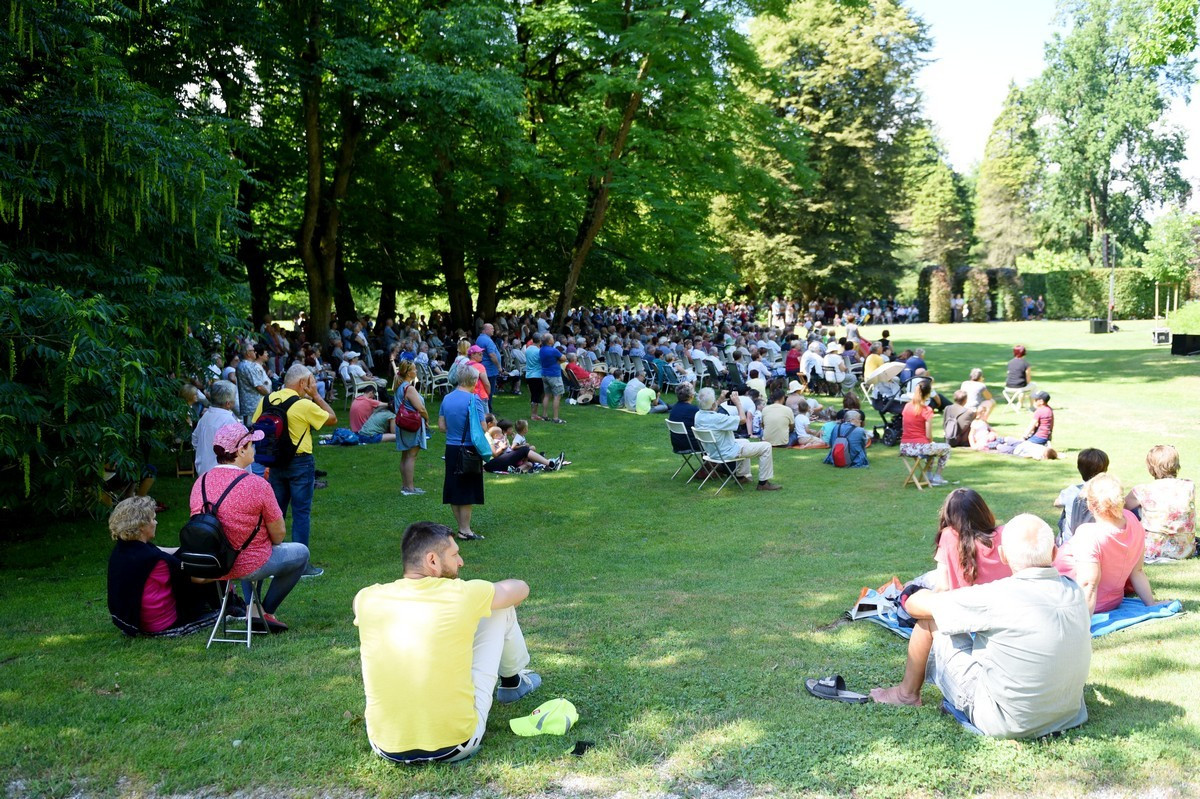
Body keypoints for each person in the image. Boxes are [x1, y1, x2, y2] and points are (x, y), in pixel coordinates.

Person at [871, 514, 1091, 740]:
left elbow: (922, 607)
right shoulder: (1074, 590)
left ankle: (905, 694)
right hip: (1069, 714)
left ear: (1003, 555)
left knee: (930, 619)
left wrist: (912, 593)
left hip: (1005, 720)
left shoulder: (997, 595)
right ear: (1055, 552)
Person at [354, 521, 542, 764]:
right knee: (499, 608)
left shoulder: (367, 598)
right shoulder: (463, 594)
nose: (461, 562)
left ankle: (512, 681)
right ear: (432, 560)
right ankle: (512, 682)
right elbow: (520, 588)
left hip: (385, 746)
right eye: (455, 555)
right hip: (455, 744)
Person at [190, 423, 310, 631]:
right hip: (249, 564)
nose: (255, 448)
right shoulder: (256, 484)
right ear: (241, 450)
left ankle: (252, 608)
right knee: (301, 553)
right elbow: (279, 535)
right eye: (252, 444)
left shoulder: (201, 482)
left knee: (255, 546)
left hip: (214, 564)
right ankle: (265, 612)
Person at [251, 364, 335, 578]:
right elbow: (331, 418)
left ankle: (269, 562)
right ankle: (301, 566)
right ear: (302, 383)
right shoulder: (304, 405)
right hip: (300, 463)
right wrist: (316, 395)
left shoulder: (266, 400)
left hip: (275, 462)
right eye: (311, 381)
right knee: (301, 513)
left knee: (274, 512)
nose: (313, 384)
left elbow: (255, 425)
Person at [106, 496, 217, 637]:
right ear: (141, 526)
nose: (156, 522)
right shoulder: (156, 560)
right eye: (153, 519)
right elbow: (199, 578)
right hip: (160, 624)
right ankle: (229, 607)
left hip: (130, 621)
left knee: (184, 559)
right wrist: (230, 572)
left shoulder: (123, 549)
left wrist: (191, 551)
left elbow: (163, 550)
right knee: (198, 572)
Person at [1054, 474, 1158, 614]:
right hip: (1112, 601)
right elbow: (1137, 571)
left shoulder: (1089, 534)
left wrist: (1083, 625)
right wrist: (1151, 604)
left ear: (1090, 505)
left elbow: (1088, 584)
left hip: (1074, 601)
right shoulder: (1133, 521)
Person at [693, 387, 781, 491]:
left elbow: (712, 408)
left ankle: (741, 477)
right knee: (766, 446)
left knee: (745, 441)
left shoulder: (698, 415)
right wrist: (738, 403)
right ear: (712, 405)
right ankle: (763, 483)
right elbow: (743, 420)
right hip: (726, 452)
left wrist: (721, 399)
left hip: (713, 451)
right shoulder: (717, 418)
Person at [439, 367, 488, 540]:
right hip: (469, 449)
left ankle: (461, 528)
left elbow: (441, 426)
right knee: (467, 489)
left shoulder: (446, 398)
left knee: (454, 487)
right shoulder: (474, 400)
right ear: (474, 381)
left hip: (451, 448)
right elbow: (482, 427)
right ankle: (466, 530)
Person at [1125, 445, 1196, 561]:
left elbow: (1122, 508)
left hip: (1154, 549)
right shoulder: (1189, 485)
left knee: (1128, 512)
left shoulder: (1142, 490)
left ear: (1151, 467)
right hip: (1185, 549)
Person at [932, 489, 1010, 591]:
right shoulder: (1005, 533)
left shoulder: (949, 536)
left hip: (965, 603)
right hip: (1004, 599)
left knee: (917, 585)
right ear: (983, 511)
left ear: (949, 516)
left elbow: (943, 586)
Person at [1053, 448, 1109, 545]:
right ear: (1105, 470)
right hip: (1097, 544)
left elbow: (1057, 503)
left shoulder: (1071, 491)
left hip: (1069, 542)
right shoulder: (1109, 493)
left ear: (1079, 468)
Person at [900, 379, 950, 486]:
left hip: (905, 446)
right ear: (928, 394)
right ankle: (937, 476)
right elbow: (928, 435)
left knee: (931, 448)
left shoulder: (907, 406)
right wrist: (931, 441)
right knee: (945, 448)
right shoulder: (926, 410)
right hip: (920, 446)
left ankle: (929, 475)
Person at [393, 360, 429, 496]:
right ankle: (410, 488)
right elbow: (420, 408)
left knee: (405, 455)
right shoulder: (409, 388)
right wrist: (426, 418)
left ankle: (405, 486)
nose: (416, 371)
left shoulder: (399, 387)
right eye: (414, 369)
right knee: (411, 456)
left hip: (402, 424)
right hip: (412, 425)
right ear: (408, 373)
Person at [192, 380, 240, 476]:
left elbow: (195, 440)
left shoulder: (206, 416)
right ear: (228, 403)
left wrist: (202, 455)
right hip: (221, 473)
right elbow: (238, 450)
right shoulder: (228, 421)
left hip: (203, 469)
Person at [237, 343, 271, 425]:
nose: (255, 352)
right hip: (253, 406)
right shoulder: (248, 366)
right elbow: (259, 387)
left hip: (248, 405)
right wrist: (270, 396)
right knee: (253, 431)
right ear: (248, 353)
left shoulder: (241, 365)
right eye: (253, 351)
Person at [539, 333, 566, 424]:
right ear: (549, 341)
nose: (553, 339)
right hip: (554, 375)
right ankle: (555, 418)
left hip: (544, 374)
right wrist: (558, 361)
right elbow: (563, 358)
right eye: (552, 338)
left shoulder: (541, 350)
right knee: (557, 396)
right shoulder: (553, 351)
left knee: (547, 395)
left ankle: (545, 415)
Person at [667, 382, 701, 453]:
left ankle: (708, 463)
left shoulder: (674, 408)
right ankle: (710, 463)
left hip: (677, 445)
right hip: (691, 445)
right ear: (691, 396)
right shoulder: (694, 410)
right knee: (713, 439)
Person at [475, 323, 502, 411]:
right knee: (489, 390)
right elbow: (492, 355)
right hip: (490, 370)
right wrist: (499, 367)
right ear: (485, 330)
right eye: (491, 328)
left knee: (485, 390)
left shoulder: (479, 338)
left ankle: (487, 409)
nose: (493, 330)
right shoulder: (487, 340)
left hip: (484, 368)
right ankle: (488, 410)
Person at [524, 338, 545, 420]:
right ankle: (534, 415)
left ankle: (534, 413)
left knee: (533, 395)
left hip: (529, 375)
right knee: (536, 396)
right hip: (537, 375)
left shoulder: (528, 349)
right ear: (540, 341)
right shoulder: (538, 351)